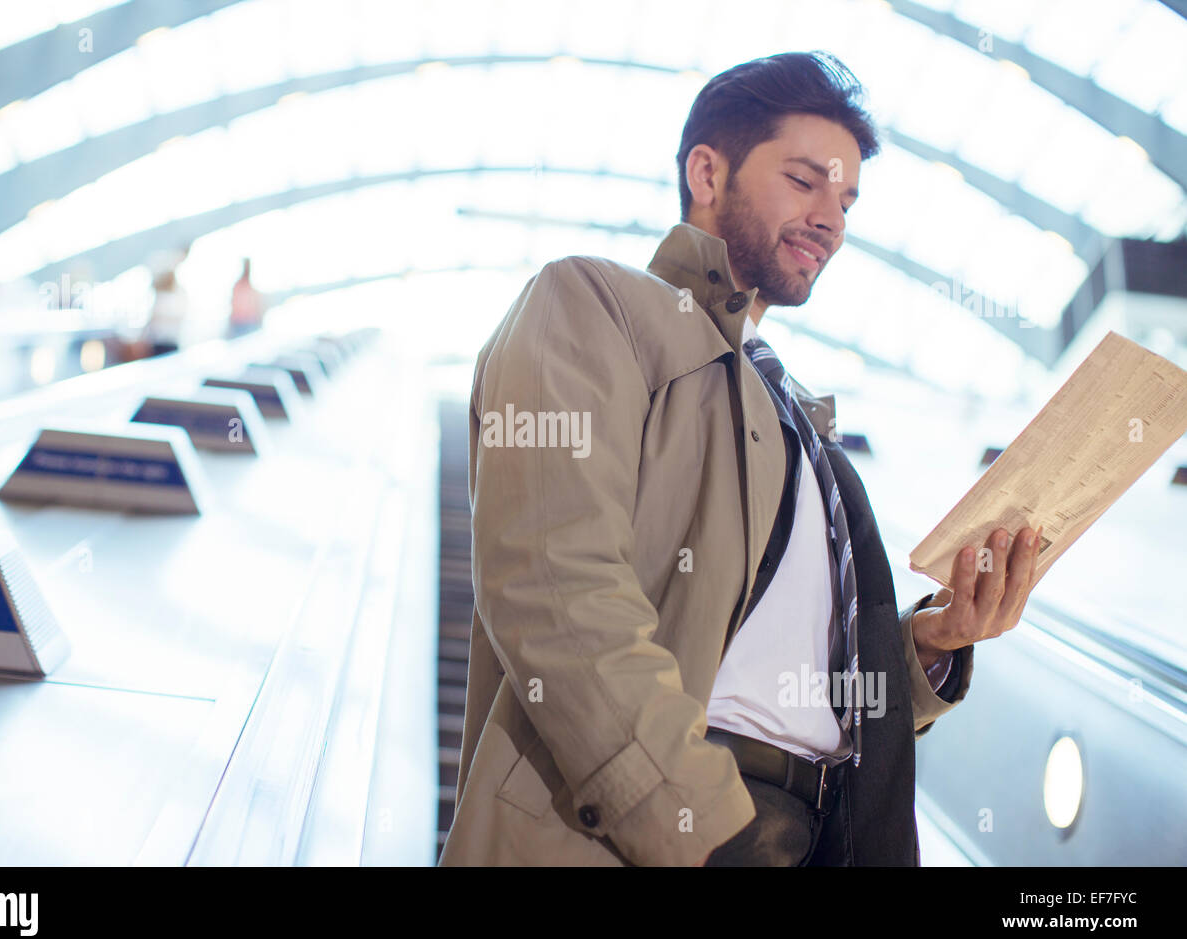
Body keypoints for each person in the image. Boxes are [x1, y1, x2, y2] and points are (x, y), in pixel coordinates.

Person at [439, 52, 1044, 867]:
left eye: (848, 199)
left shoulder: (790, 413)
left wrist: (933, 641)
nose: (832, 218)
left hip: (816, 833)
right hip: (651, 833)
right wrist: (703, 827)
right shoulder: (591, 304)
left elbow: (795, 687)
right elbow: (553, 585)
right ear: (706, 172)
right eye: (805, 180)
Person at [227, 258, 263, 337]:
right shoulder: (238, 286)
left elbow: (256, 306)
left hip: (250, 323)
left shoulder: (251, 287)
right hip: (238, 323)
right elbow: (233, 304)